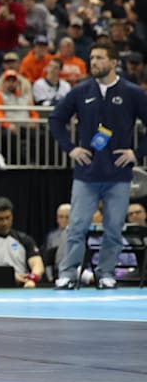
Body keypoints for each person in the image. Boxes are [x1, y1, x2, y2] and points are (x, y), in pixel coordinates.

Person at [49, 42, 147, 289]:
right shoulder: (81, 91)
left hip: (119, 174)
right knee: (77, 227)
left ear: (114, 62)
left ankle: (106, 273)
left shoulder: (132, 92)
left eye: (99, 58)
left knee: (113, 229)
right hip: (87, 174)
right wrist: (71, 149)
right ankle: (68, 274)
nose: (93, 62)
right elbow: (55, 119)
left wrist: (137, 154)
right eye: (91, 57)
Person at [0, 197, 44, 287]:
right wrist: (10, 277)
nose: (5, 223)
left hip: (22, 287)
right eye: (0, 219)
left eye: (8, 218)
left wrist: (32, 278)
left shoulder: (24, 239)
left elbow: (36, 262)